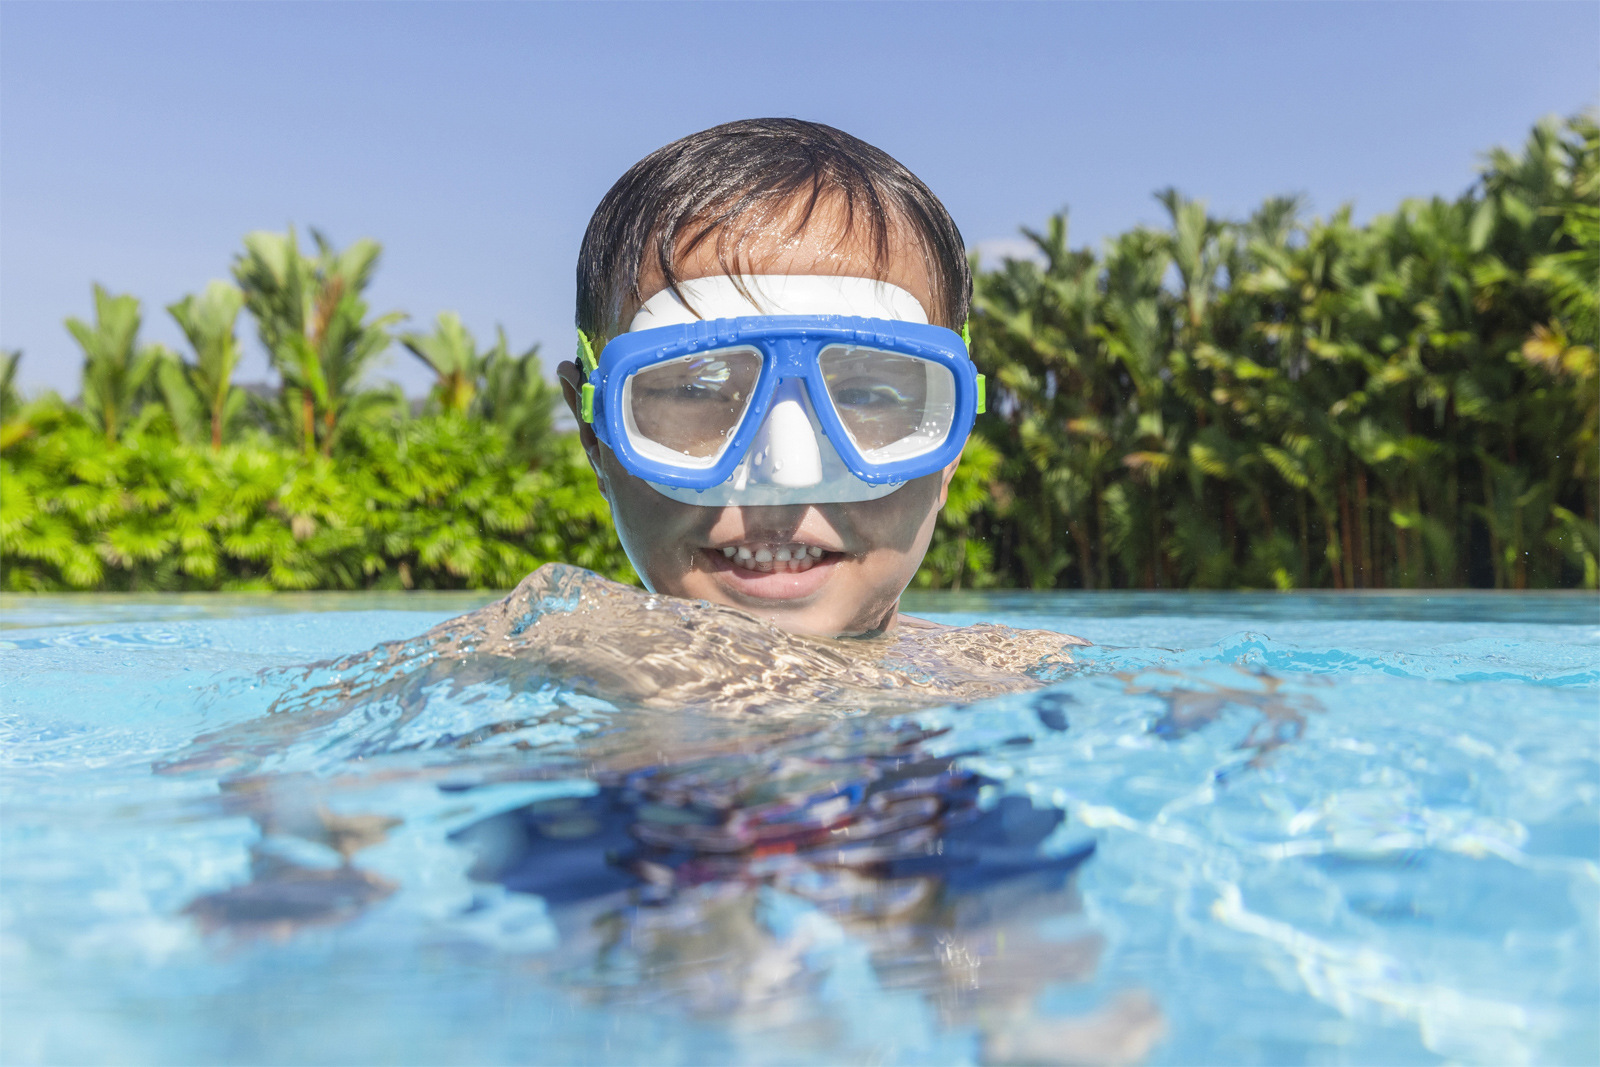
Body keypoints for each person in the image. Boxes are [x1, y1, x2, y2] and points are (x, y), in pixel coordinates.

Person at [557, 118, 1019, 639]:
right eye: (697, 390)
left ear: (951, 446)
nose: (786, 477)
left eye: (862, 394)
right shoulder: (528, 666)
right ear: (594, 433)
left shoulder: (1025, 675)